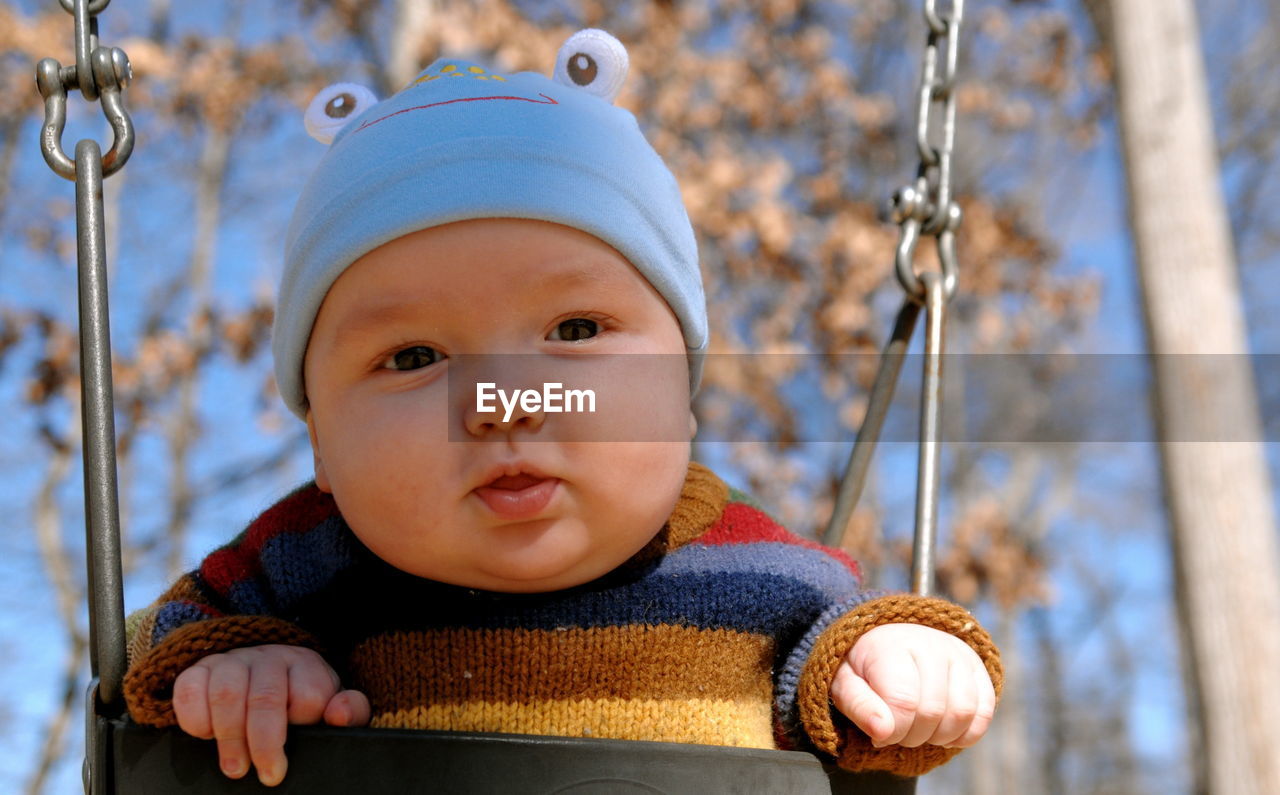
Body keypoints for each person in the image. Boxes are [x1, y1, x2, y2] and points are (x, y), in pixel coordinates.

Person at [122, 29, 1002, 788]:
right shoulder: (302, 563)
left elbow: (845, 662)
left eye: (575, 329)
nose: (505, 402)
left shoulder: (751, 565)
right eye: (414, 357)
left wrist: (904, 664)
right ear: (319, 436)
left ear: (681, 393)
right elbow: (155, 645)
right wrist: (234, 666)